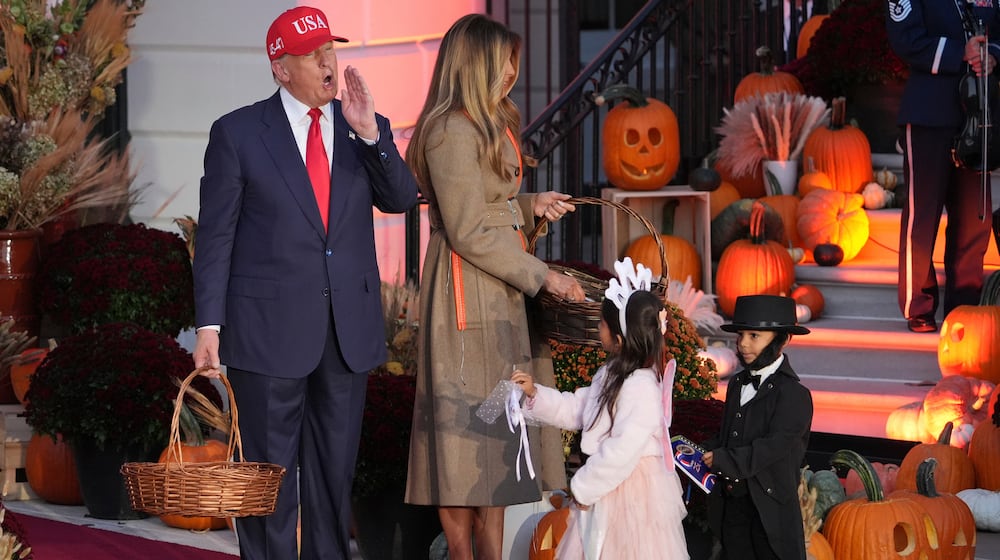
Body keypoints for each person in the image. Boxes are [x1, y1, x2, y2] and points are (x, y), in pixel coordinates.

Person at [191, 6, 418, 559]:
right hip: (267, 336)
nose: (327, 62)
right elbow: (216, 238)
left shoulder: (360, 125)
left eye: (330, 50)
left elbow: (402, 199)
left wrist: (371, 135)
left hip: (346, 335)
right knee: (265, 487)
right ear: (280, 68)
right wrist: (209, 324)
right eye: (312, 53)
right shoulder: (238, 134)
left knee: (332, 486)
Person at [403, 13, 585, 560]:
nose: (512, 71)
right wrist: (542, 275)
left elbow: (487, 208)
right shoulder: (450, 129)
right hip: (466, 300)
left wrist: (531, 206)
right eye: (507, 60)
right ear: (479, 62)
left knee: (500, 432)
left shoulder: (488, 123)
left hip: (497, 292)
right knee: (466, 438)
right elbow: (467, 228)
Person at [511, 258, 690, 559]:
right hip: (603, 484)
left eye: (602, 324)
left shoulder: (642, 387)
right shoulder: (610, 374)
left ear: (618, 338)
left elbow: (623, 450)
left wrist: (583, 487)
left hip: (627, 492)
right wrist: (535, 394)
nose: (598, 328)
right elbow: (578, 408)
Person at [886, 0, 999, 333]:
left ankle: (964, 305)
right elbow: (906, 39)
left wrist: (991, 55)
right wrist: (959, 54)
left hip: (979, 116)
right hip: (928, 112)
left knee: (974, 218)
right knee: (922, 216)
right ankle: (917, 304)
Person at [702, 294, 813, 560]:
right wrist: (701, 450)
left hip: (770, 516)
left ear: (783, 340)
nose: (743, 344)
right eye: (741, 335)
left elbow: (769, 449)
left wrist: (723, 459)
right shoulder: (738, 384)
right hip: (734, 508)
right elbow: (730, 434)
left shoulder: (794, 395)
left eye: (754, 336)